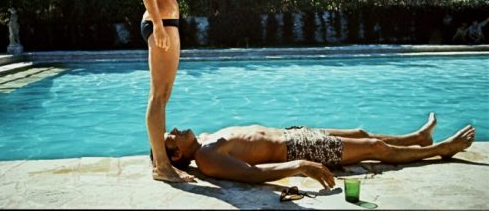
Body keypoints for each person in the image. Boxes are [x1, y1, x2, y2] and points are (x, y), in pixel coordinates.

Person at [164, 113, 475, 189]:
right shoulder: (205, 158)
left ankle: (415, 138)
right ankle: (442, 149)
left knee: (361, 134)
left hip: (295, 134)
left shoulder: (204, 139)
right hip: (296, 148)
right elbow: (251, 174)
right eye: (171, 138)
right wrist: (299, 165)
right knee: (373, 148)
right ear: (177, 154)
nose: (175, 130)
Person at [137, 0, 203, 182]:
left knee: (163, 95)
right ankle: (161, 167)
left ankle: (162, 163)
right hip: (160, 23)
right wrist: (159, 25)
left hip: (166, 22)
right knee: (158, 95)